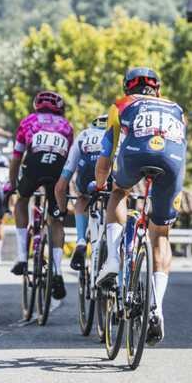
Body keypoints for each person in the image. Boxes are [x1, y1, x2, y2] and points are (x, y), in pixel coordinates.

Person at [94, 67, 187, 344]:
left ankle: (112, 258)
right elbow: (182, 147)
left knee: (119, 192)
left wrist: (100, 185)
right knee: (160, 234)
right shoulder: (177, 109)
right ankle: (156, 307)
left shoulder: (121, 105)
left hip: (134, 155)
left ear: (127, 88)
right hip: (172, 162)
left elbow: (105, 156)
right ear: (156, 89)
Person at [8, 90, 74, 301]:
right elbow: (71, 159)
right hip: (58, 170)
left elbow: (17, 157)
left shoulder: (28, 121)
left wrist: (13, 184)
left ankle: (21, 257)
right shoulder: (67, 126)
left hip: (34, 164)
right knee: (56, 221)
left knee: (22, 201)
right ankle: (58, 272)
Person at [55, 114, 110, 271]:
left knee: (82, 198)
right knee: (117, 198)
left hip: (86, 175)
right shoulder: (118, 133)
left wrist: (62, 209)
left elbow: (64, 179)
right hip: (109, 173)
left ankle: (80, 240)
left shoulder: (84, 135)